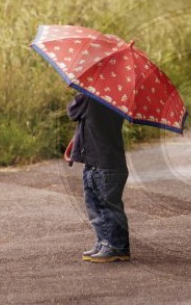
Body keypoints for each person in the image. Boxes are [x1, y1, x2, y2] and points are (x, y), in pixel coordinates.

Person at [66, 93, 130, 263]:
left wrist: (79, 92)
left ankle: (116, 246)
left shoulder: (91, 97)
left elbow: (72, 111)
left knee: (107, 207)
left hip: (104, 164)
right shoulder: (114, 98)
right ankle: (104, 241)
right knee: (96, 206)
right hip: (97, 162)